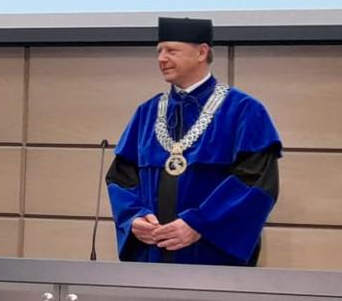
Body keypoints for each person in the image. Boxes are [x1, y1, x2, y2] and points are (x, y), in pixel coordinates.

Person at [106, 17, 281, 265]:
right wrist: (134, 217)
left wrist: (201, 223)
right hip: (152, 254)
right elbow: (122, 178)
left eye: (171, 50)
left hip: (213, 256)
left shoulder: (243, 110)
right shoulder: (147, 113)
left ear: (201, 52)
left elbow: (255, 183)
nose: (161, 59)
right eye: (159, 51)